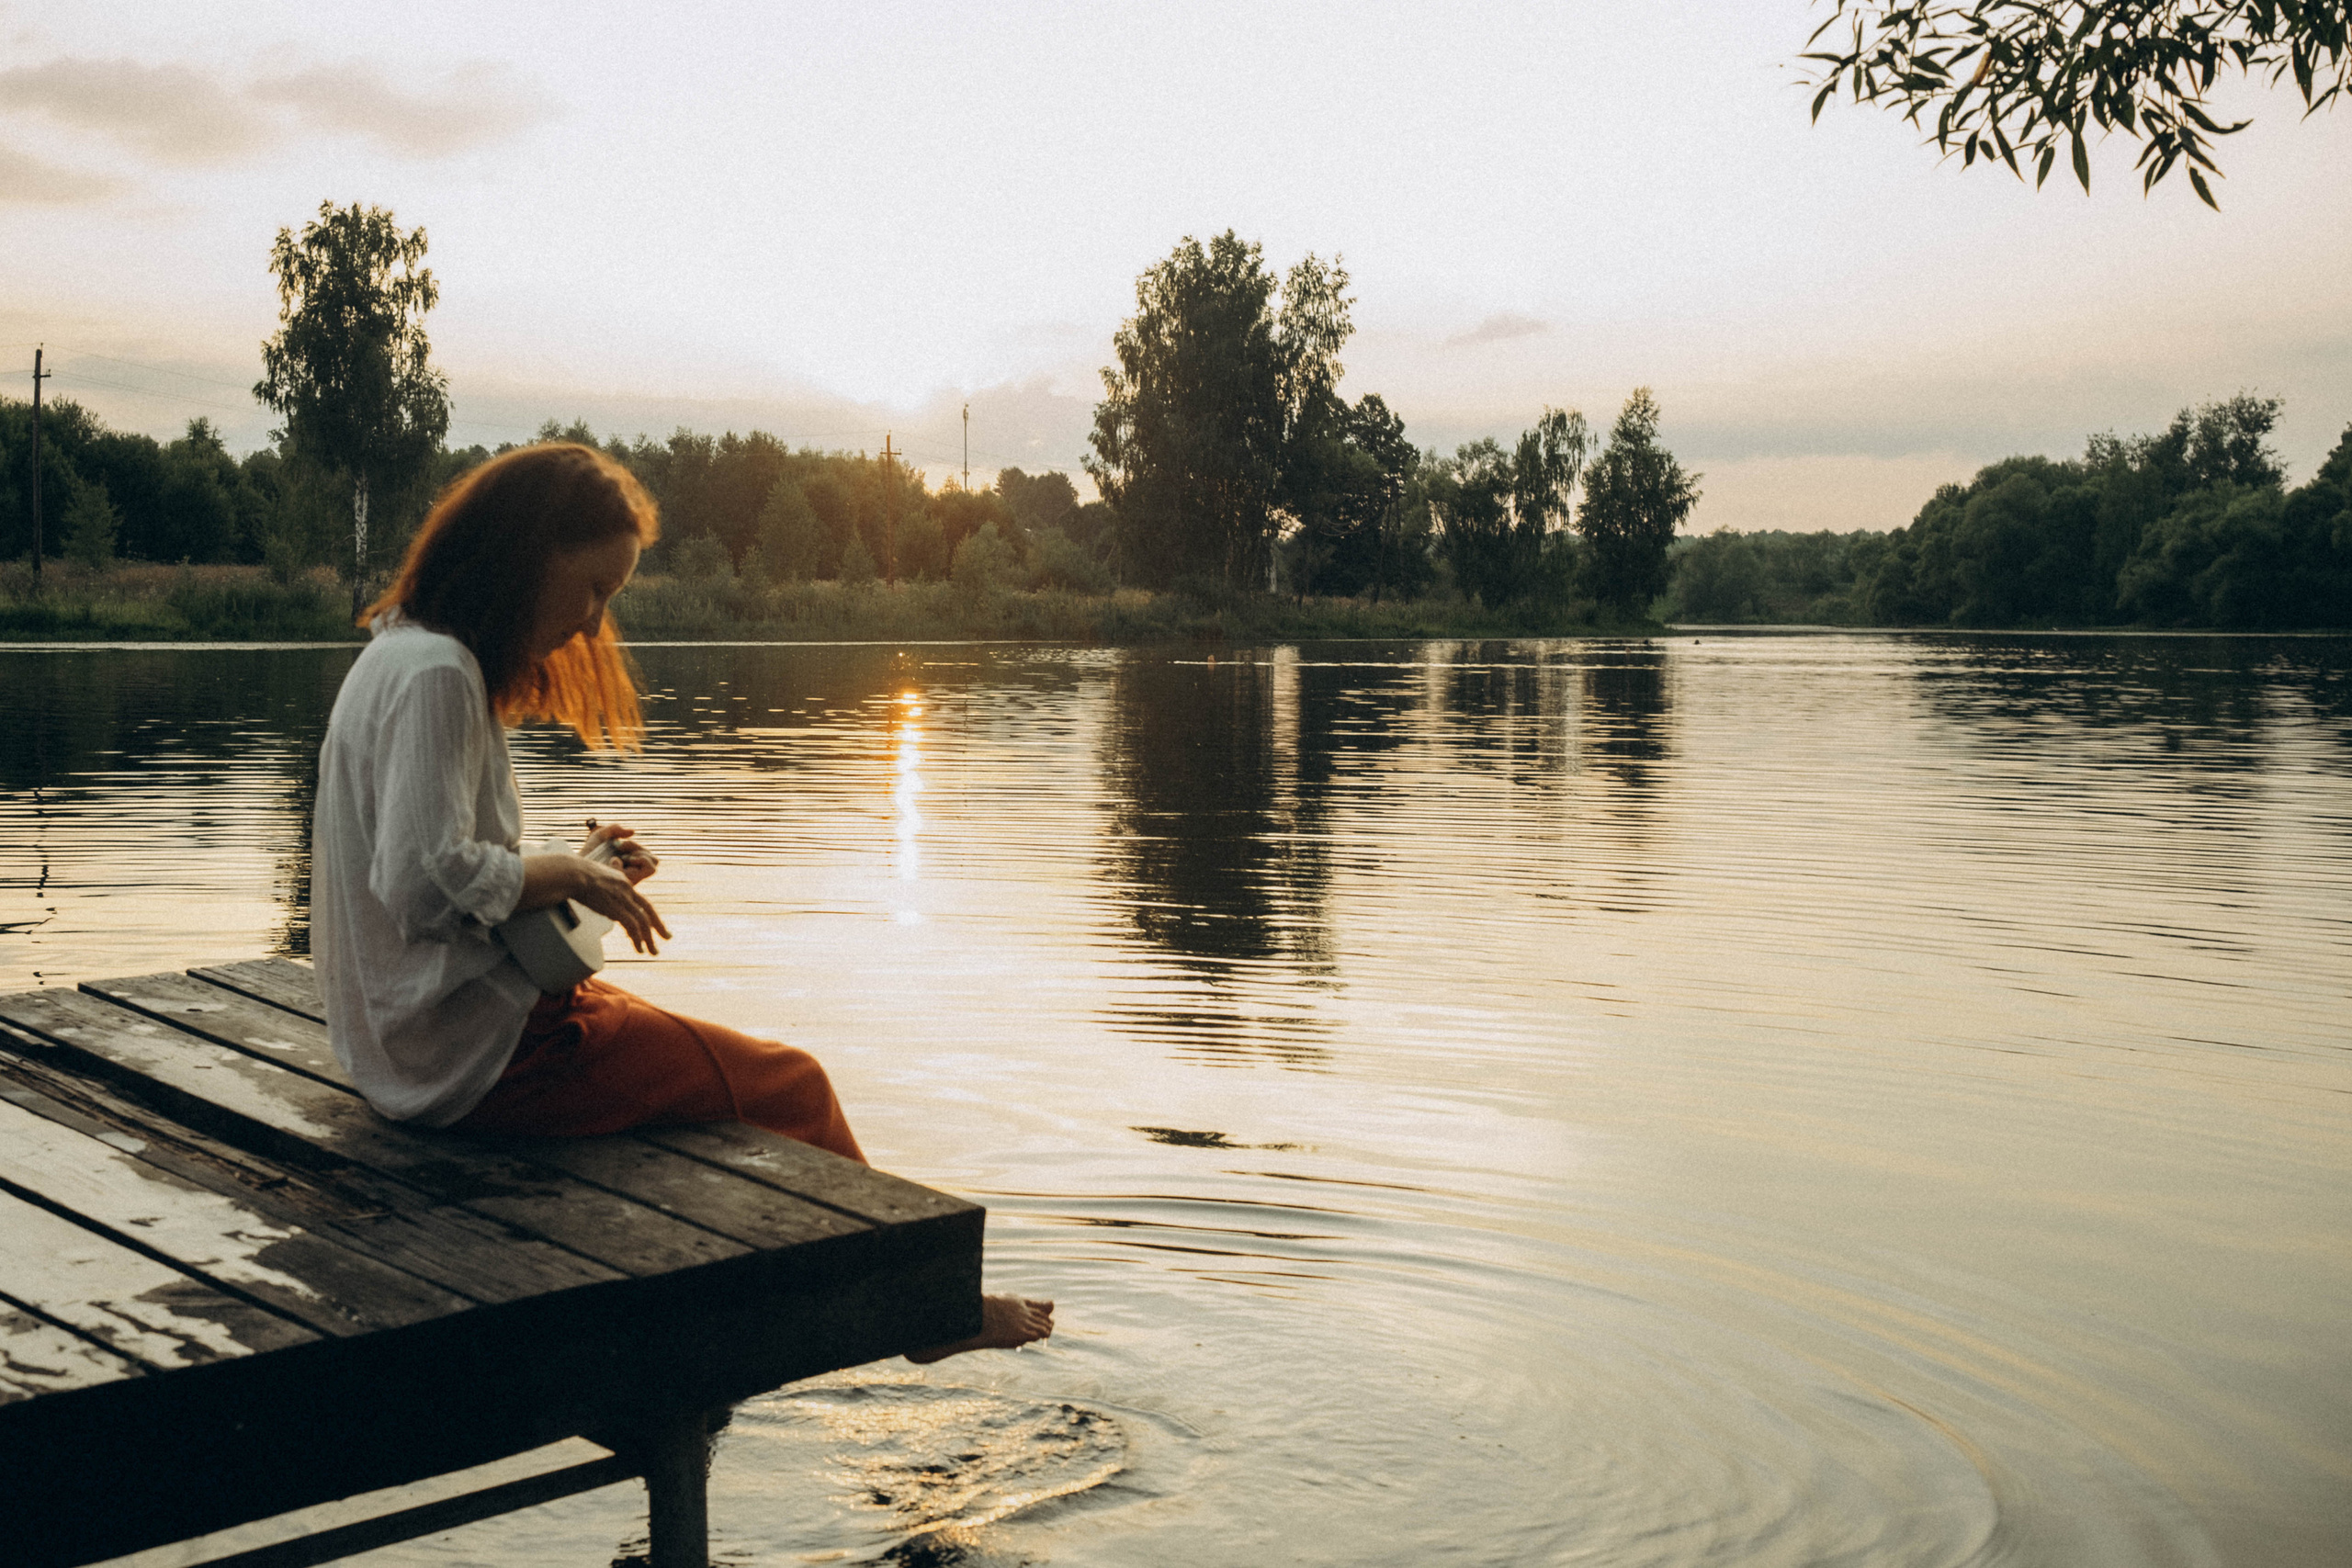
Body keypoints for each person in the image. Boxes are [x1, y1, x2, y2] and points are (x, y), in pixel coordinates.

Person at [310, 442, 1049, 1361]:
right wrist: (567, 877)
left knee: (716, 1061)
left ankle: (862, 1290)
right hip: (476, 1063)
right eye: (592, 590)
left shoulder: (399, 652)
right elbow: (423, 885)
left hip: (415, 1046)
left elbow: (440, 873)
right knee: (795, 1086)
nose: (590, 626)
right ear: (527, 556)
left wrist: (579, 864)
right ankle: (922, 1315)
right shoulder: (438, 676)